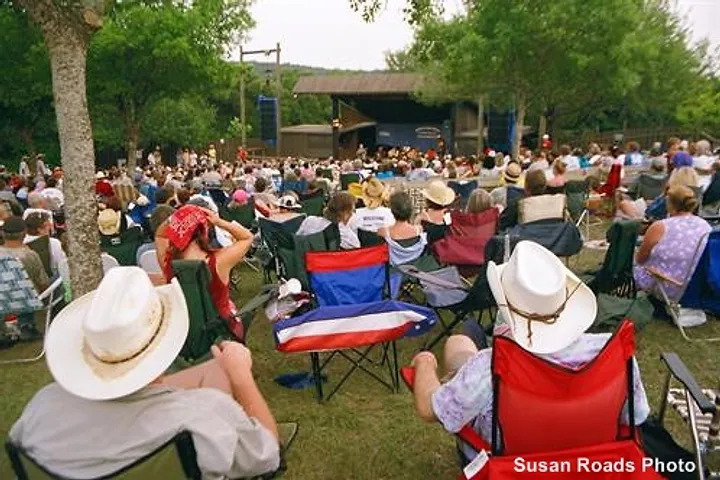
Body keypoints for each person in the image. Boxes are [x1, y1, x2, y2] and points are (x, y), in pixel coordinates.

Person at [9, 267, 280, 479]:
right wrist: (241, 377)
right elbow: (267, 455)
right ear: (165, 342)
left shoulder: (40, 409)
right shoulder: (203, 417)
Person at [409, 241, 649, 460]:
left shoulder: (490, 367)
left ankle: (457, 380)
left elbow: (430, 410)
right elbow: (635, 416)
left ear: (506, 305)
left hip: (509, 463)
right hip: (589, 461)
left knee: (460, 344)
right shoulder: (614, 354)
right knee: (461, 345)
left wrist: (425, 362)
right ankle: (459, 376)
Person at [159, 205, 254, 340]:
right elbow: (247, 237)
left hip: (186, 332)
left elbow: (160, 234)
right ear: (204, 230)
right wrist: (218, 221)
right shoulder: (219, 261)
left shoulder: (168, 263)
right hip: (221, 332)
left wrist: (178, 218)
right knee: (229, 304)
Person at [634, 185, 711, 302]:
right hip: (695, 286)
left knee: (632, 262)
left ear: (669, 203)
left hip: (665, 285)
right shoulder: (705, 226)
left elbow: (640, 259)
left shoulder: (660, 226)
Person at [0, 216, 49, 340]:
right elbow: (43, 284)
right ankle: (26, 325)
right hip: (27, 300)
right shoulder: (29, 255)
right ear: (24, 233)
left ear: (3, 233)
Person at [378, 191, 427, 266]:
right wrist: (418, 219)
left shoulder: (383, 232)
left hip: (392, 271)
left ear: (392, 211)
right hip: (413, 270)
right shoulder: (419, 230)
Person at [24, 211, 66, 276]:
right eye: (48, 225)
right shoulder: (53, 243)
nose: (50, 227)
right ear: (39, 229)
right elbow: (61, 264)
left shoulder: (21, 242)